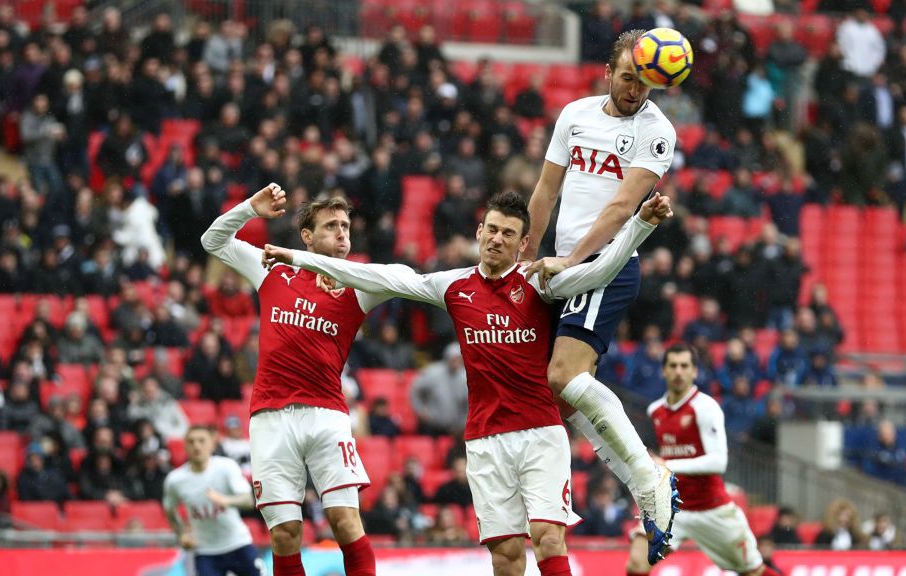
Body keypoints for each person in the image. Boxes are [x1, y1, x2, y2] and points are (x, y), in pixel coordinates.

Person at [262, 190, 675, 575]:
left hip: (541, 433)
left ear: (522, 243)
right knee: (506, 555)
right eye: (492, 229)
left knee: (548, 538)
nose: (497, 239)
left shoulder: (539, 283)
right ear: (479, 232)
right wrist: (300, 259)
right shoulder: (453, 285)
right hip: (484, 439)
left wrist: (640, 224)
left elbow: (599, 271)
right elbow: (379, 278)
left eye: (508, 234)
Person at [520, 28, 680, 564]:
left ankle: (648, 473)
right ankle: (641, 480)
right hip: (559, 268)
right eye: (628, 77)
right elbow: (545, 190)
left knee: (563, 376)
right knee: (557, 396)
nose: (635, 90)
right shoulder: (575, 115)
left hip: (606, 266)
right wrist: (527, 256)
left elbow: (619, 211)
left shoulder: (657, 132)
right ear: (609, 72)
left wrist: (571, 260)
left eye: (646, 82)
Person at [200, 184, 378, 576]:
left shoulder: (361, 285)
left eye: (346, 225)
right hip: (270, 418)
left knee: (346, 523)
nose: (342, 233)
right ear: (307, 237)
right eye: (331, 225)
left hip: (326, 415)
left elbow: (406, 279)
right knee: (284, 535)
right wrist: (250, 209)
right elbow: (212, 240)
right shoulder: (273, 270)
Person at [626, 344, 779, 576]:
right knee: (636, 565)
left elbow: (719, 462)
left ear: (694, 371)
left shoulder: (705, 407)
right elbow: (654, 456)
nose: (679, 371)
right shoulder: (655, 411)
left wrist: (668, 464)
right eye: (673, 366)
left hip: (712, 509)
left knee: (754, 571)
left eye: (684, 366)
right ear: (664, 371)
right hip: (672, 508)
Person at [163, 426, 263, 576]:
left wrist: (226, 500)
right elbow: (169, 509)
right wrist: (181, 533)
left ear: (212, 444)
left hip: (238, 543)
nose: (196, 446)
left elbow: (248, 500)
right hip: (206, 551)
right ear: (185, 446)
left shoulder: (226, 467)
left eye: (201, 441)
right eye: (191, 442)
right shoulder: (175, 480)